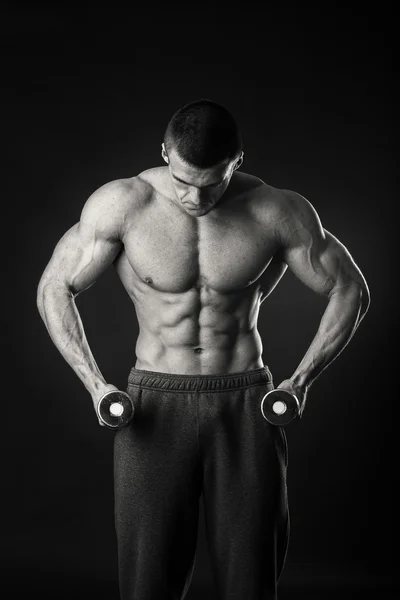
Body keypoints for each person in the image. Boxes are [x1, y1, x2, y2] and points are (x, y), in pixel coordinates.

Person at [36, 99, 370, 600]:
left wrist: (300, 381)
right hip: (153, 403)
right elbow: (54, 287)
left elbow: (351, 289)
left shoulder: (277, 210)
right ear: (165, 152)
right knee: (148, 582)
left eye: (210, 183)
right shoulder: (123, 204)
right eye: (182, 180)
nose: (194, 197)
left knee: (250, 578)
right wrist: (95, 384)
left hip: (245, 404)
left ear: (236, 160)